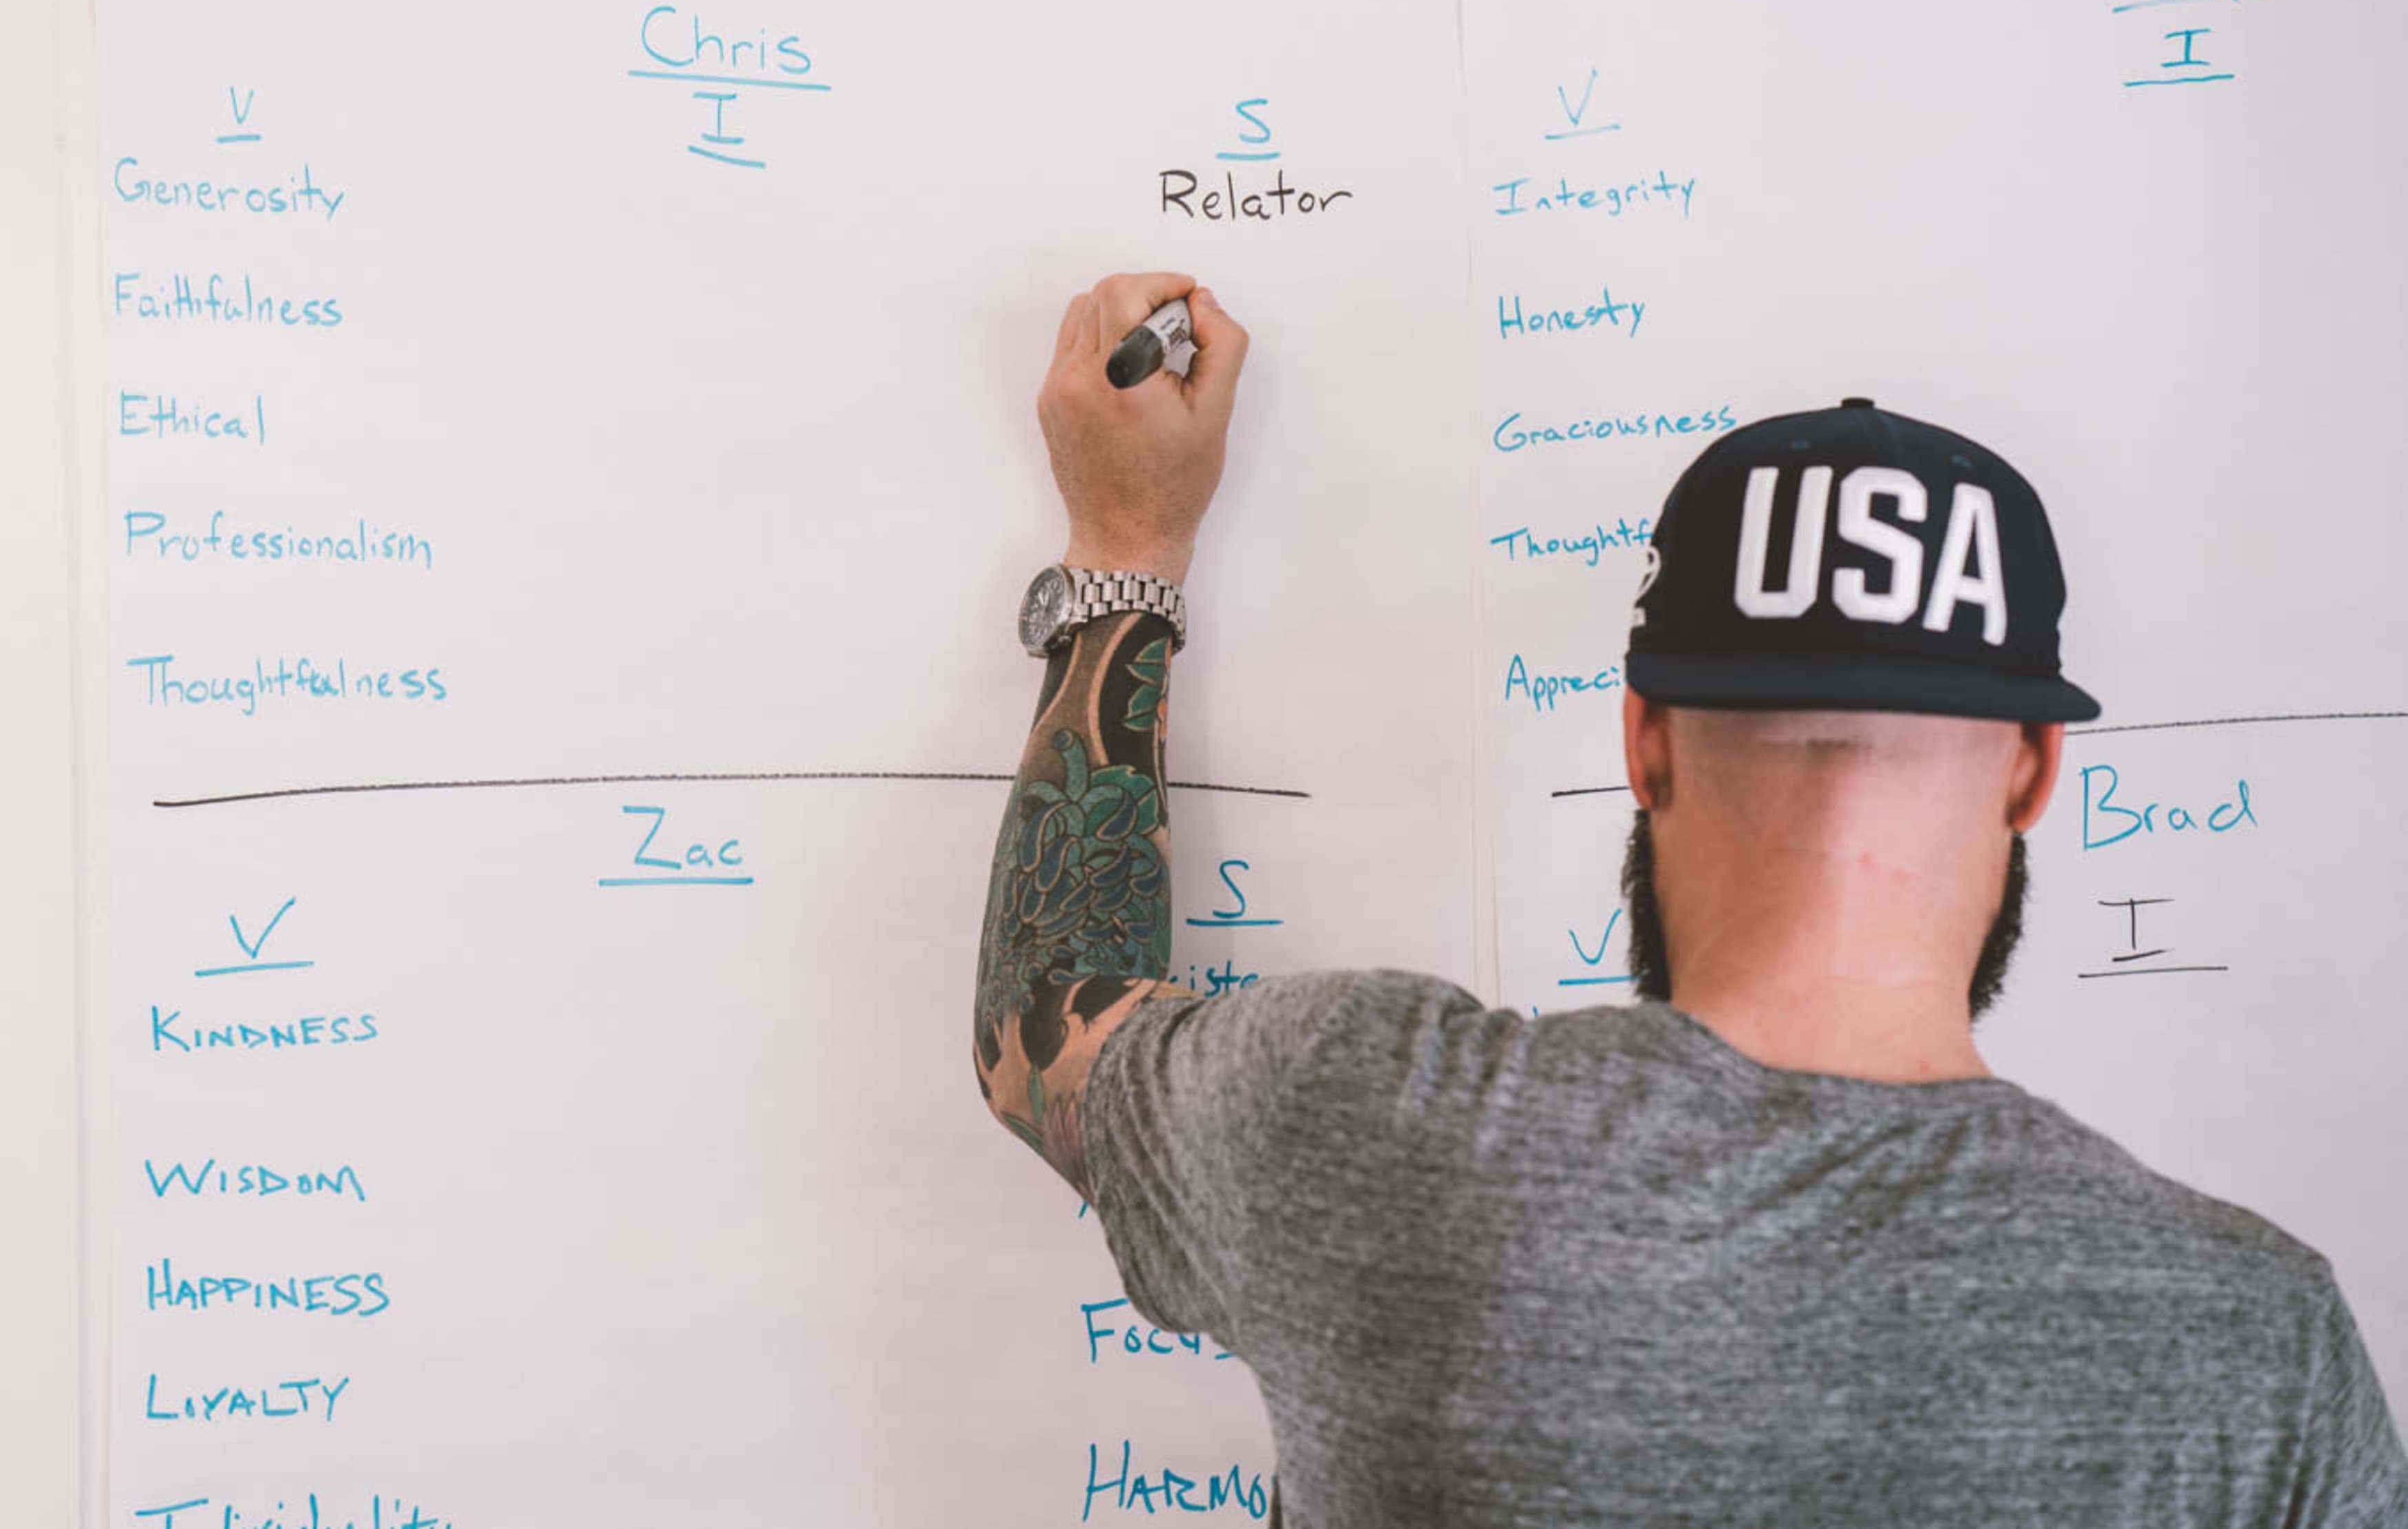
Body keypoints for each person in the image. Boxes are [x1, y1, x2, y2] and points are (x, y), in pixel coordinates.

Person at [972, 270, 2408, 1527]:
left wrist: (1127, 550)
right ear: (2034, 772)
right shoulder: (2256, 1347)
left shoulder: (1368, 1126)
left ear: (1642, 739)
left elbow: (1041, 1030)